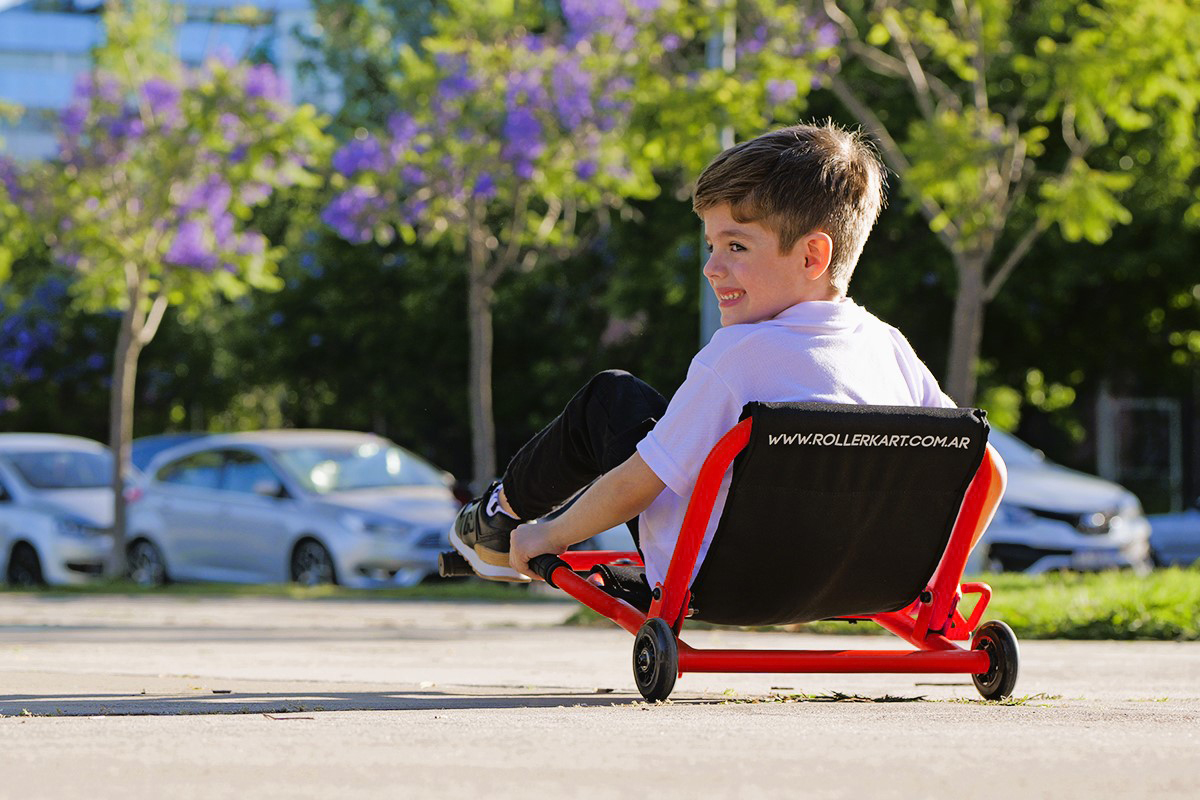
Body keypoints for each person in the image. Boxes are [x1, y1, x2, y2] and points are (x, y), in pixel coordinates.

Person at [451, 121, 953, 590]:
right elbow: (982, 468)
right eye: (712, 246)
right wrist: (928, 575)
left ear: (811, 257)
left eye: (736, 246)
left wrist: (550, 536)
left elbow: (638, 482)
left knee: (611, 398)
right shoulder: (889, 348)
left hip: (721, 577)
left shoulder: (736, 356)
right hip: (860, 581)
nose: (712, 268)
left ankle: (500, 520)